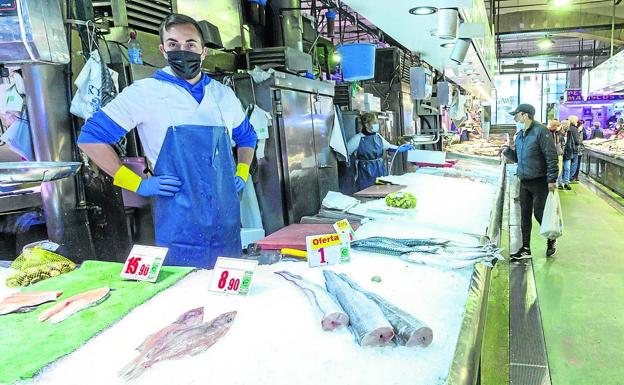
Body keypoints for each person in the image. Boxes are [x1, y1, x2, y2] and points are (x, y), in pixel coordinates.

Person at [77, 14, 258, 269]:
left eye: (190, 44)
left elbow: (247, 136)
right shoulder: (145, 93)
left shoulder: (223, 95)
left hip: (225, 219)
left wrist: (242, 171)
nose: (182, 51)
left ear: (203, 51)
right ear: (163, 49)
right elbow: (90, 138)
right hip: (178, 220)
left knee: (229, 293)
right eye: (173, 44)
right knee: (184, 293)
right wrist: (137, 183)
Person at [502, 104, 558, 259]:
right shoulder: (520, 135)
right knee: (524, 216)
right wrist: (507, 152)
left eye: (516, 114)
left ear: (525, 115)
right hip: (524, 181)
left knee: (540, 214)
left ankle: (551, 239)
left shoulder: (541, 131)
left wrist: (552, 179)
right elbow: (519, 159)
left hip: (540, 182)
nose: (515, 118)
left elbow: (551, 155)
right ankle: (526, 248)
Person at [346, 112, 414, 190]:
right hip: (364, 172)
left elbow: (389, 147)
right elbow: (345, 154)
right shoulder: (357, 139)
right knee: (366, 192)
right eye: (374, 123)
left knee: (381, 190)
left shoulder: (378, 137)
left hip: (379, 169)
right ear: (366, 124)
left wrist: (402, 148)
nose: (377, 124)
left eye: (377, 122)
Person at [557, 120, 574, 190]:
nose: (567, 127)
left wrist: (572, 148)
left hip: (568, 153)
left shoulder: (570, 133)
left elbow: (572, 142)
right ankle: (560, 183)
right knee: (560, 169)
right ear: (562, 125)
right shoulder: (558, 133)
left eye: (568, 125)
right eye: (566, 125)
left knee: (567, 169)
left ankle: (567, 183)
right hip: (560, 154)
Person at [567, 115, 582, 183]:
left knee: (567, 163)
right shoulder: (574, 129)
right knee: (574, 163)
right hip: (574, 148)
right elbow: (577, 141)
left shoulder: (568, 127)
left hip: (568, 148)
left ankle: (566, 177)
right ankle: (571, 178)